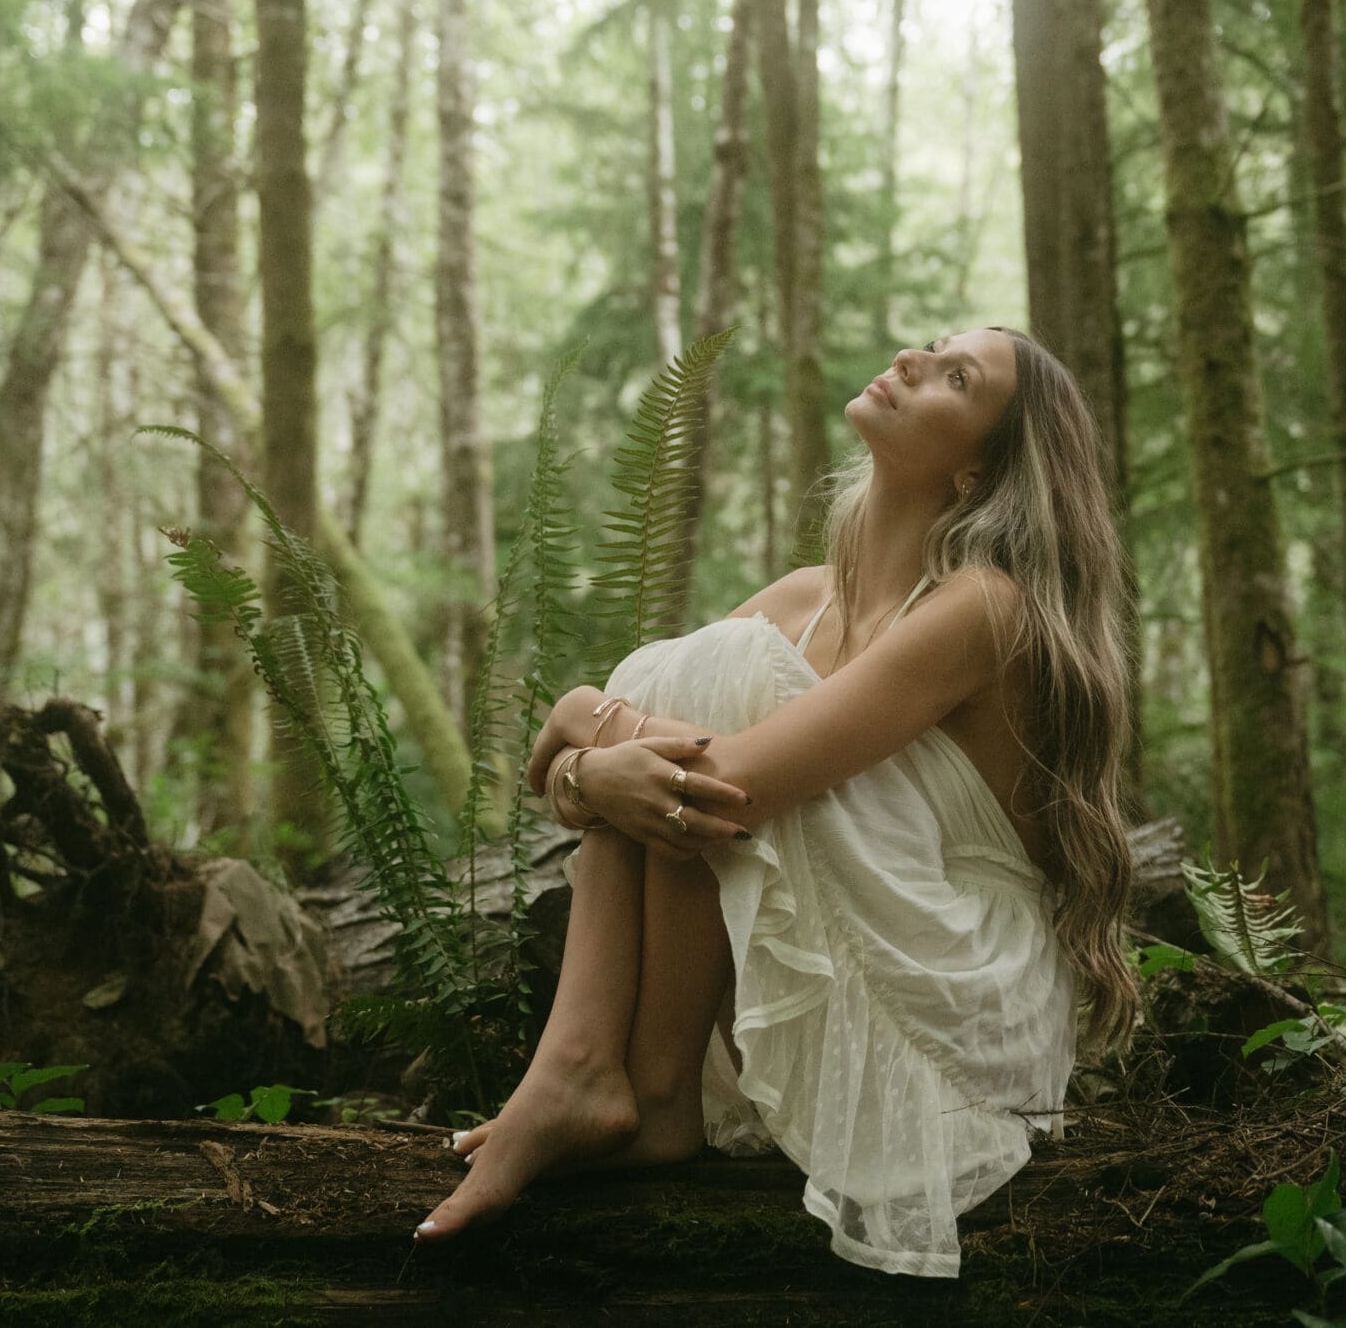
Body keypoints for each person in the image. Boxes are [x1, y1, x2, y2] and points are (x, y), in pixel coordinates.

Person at [412, 328, 1139, 1278]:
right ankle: (589, 1068)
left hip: (957, 999)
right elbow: (674, 772)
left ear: (976, 473)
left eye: (957, 378)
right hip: (855, 943)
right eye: (930, 345)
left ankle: (617, 1077)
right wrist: (602, 759)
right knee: (701, 677)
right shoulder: (803, 599)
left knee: (714, 683)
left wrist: (583, 720)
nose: (916, 360)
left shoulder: (983, 606)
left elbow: (727, 785)